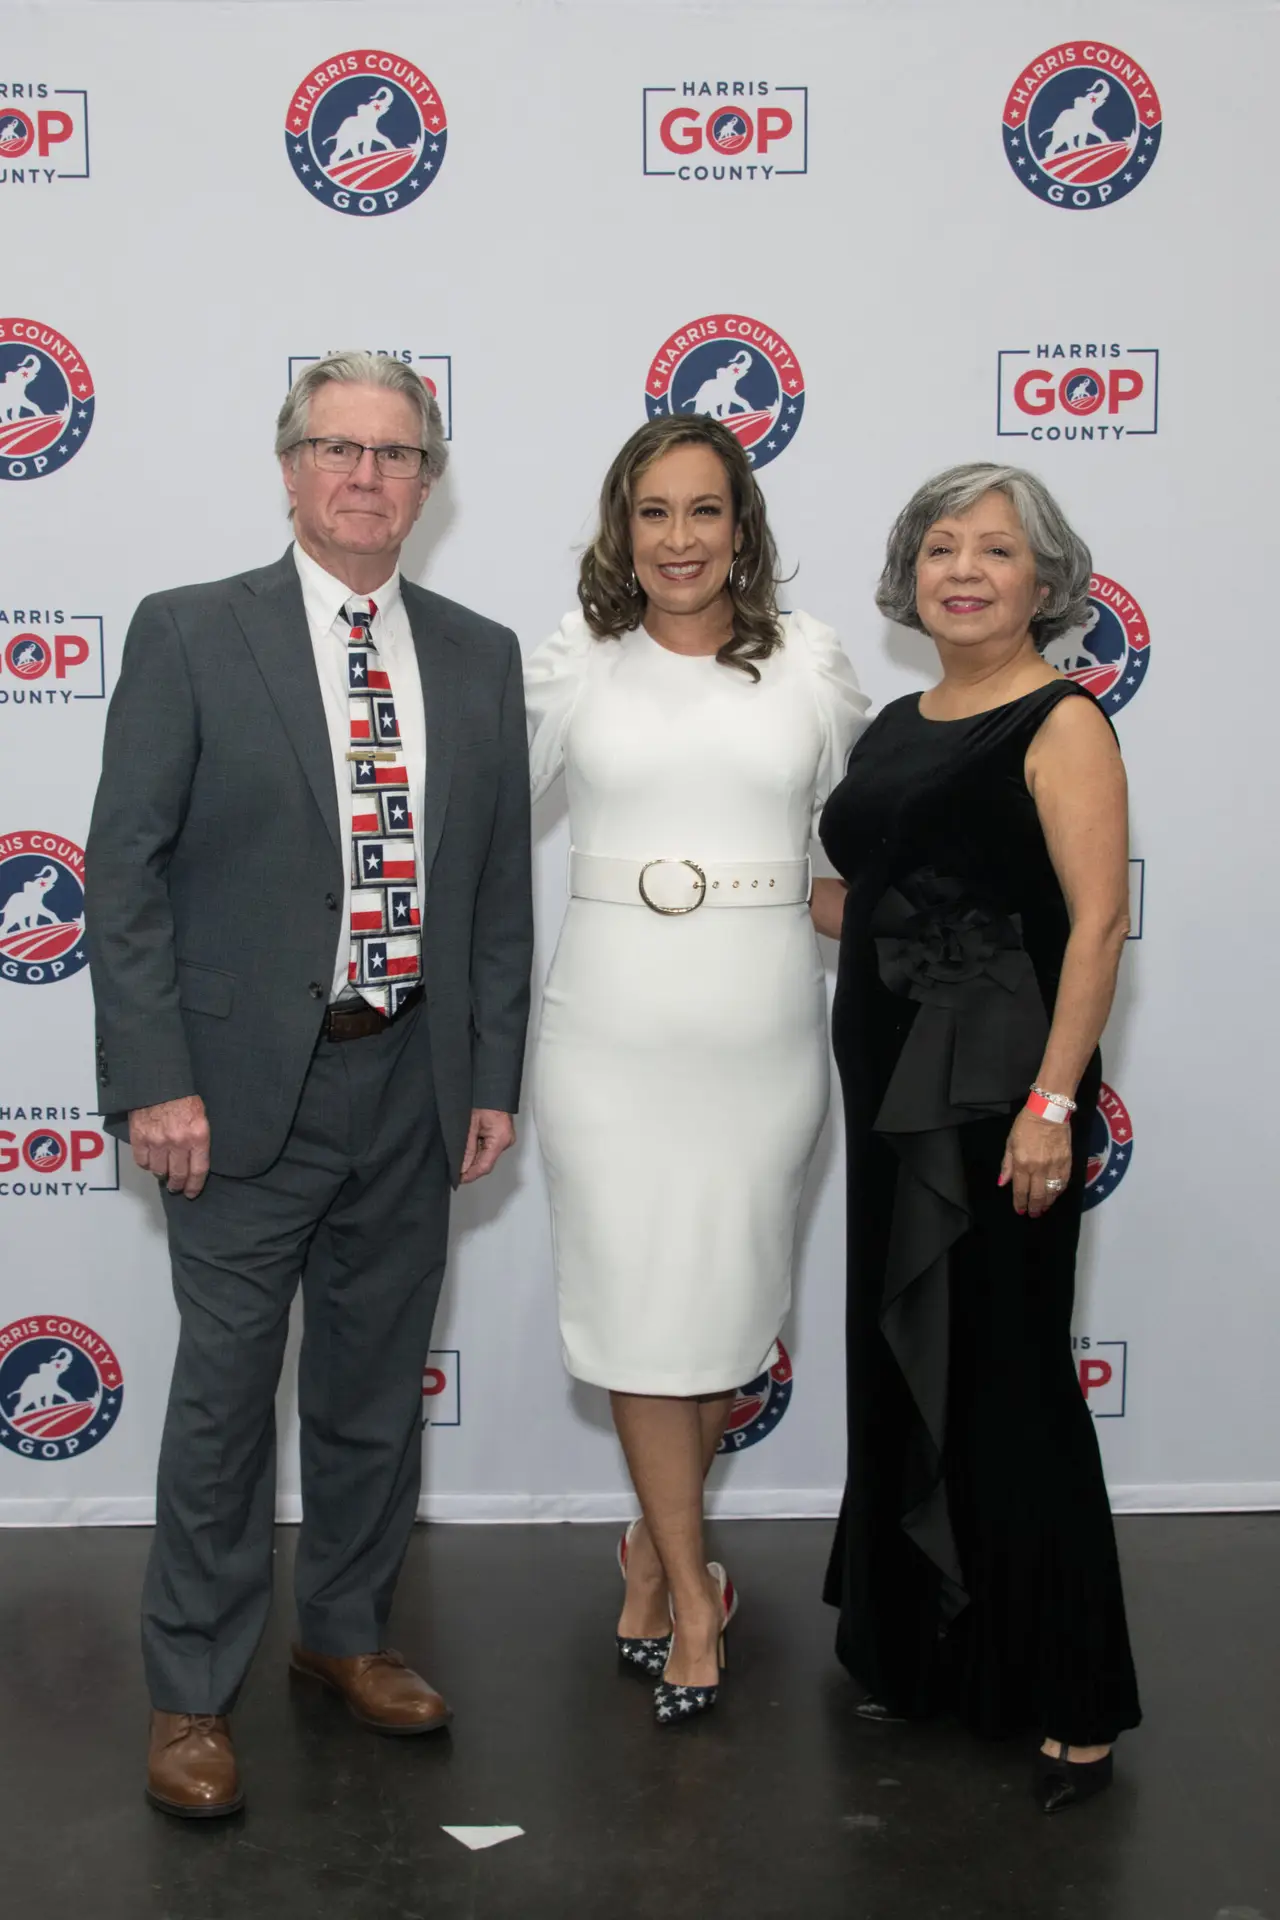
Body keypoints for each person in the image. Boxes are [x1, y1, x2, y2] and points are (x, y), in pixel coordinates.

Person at [85, 352, 532, 1818]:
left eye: (396, 454)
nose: (366, 476)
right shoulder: (191, 631)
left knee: (371, 1392)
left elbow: (496, 894)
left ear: (430, 482)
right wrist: (156, 1078)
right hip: (234, 1095)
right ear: (289, 469)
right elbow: (125, 875)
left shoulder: (478, 654)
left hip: (414, 1077)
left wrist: (491, 1073)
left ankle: (343, 1634)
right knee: (225, 1404)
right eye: (338, 448)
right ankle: (190, 1693)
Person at [525, 414, 868, 1725]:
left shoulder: (811, 664)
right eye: (654, 512)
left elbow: (868, 837)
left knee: (719, 1317)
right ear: (623, 529)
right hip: (607, 1035)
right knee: (634, 1312)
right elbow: (473, 819)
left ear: (742, 528)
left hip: (758, 1035)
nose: (679, 539)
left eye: (704, 510)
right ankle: (691, 1592)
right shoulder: (576, 659)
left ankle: (652, 1553)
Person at [814, 462, 1141, 1812]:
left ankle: (1074, 1695)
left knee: (1010, 1377)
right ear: (912, 574)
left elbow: (1098, 924)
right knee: (903, 1357)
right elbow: (870, 892)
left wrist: (1055, 1104)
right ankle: (928, 1647)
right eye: (941, 546)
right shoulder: (896, 723)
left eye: (996, 550)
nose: (964, 570)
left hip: (1004, 1096)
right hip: (887, 1079)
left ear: (1043, 581)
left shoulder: (1063, 720)